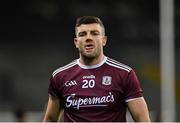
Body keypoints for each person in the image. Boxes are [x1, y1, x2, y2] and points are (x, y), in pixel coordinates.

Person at [43, 16, 151, 122]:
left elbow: (142, 119)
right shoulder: (60, 76)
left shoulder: (124, 74)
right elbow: (50, 119)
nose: (88, 38)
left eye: (94, 33)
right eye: (82, 34)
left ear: (104, 40)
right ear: (76, 42)